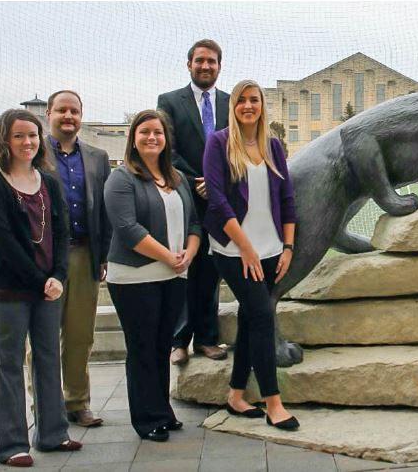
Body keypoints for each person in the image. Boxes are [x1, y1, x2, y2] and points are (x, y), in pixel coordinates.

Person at [0, 109, 82, 467]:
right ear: (6, 140)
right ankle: (11, 445)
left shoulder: (49, 182)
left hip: (48, 288)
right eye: (19, 135)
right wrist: (41, 282)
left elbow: (62, 233)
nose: (27, 142)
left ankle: (53, 434)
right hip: (11, 289)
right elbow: (5, 243)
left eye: (33, 135)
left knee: (47, 358)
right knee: (7, 363)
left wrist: (58, 276)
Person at [202, 79, 299, 430]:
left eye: (254, 100)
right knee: (261, 315)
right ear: (234, 106)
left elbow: (287, 199)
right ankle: (274, 403)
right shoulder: (218, 143)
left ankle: (236, 395)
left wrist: (287, 247)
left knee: (250, 319)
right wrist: (245, 248)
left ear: (261, 105)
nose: (247, 106)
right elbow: (217, 198)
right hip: (233, 249)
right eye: (241, 100)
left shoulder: (273, 146)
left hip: (272, 248)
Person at [103, 110, 201, 442]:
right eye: (144, 132)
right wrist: (168, 256)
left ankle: (163, 411)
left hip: (173, 276)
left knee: (162, 346)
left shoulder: (177, 178)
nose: (152, 138)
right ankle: (147, 420)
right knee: (143, 348)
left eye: (157, 132)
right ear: (133, 138)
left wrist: (189, 252)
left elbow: (195, 225)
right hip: (135, 277)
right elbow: (128, 229)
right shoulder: (122, 178)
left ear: (165, 139)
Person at [27, 90, 111, 428]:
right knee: (44, 335)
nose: (68, 116)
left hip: (84, 254)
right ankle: (45, 406)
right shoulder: (34, 152)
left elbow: (103, 211)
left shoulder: (97, 157)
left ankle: (77, 401)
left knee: (80, 335)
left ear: (81, 115)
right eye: (61, 110)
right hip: (45, 258)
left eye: (74, 111)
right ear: (48, 113)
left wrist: (102, 256)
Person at [158, 39, 230, 365]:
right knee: (183, 268)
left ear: (219, 66)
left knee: (212, 271)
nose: (205, 66)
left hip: (220, 202)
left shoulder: (231, 103)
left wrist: (216, 184)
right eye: (199, 61)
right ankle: (178, 341)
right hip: (185, 198)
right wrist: (197, 182)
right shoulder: (170, 102)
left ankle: (207, 339)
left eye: (211, 61)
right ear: (189, 64)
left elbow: (238, 150)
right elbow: (167, 150)